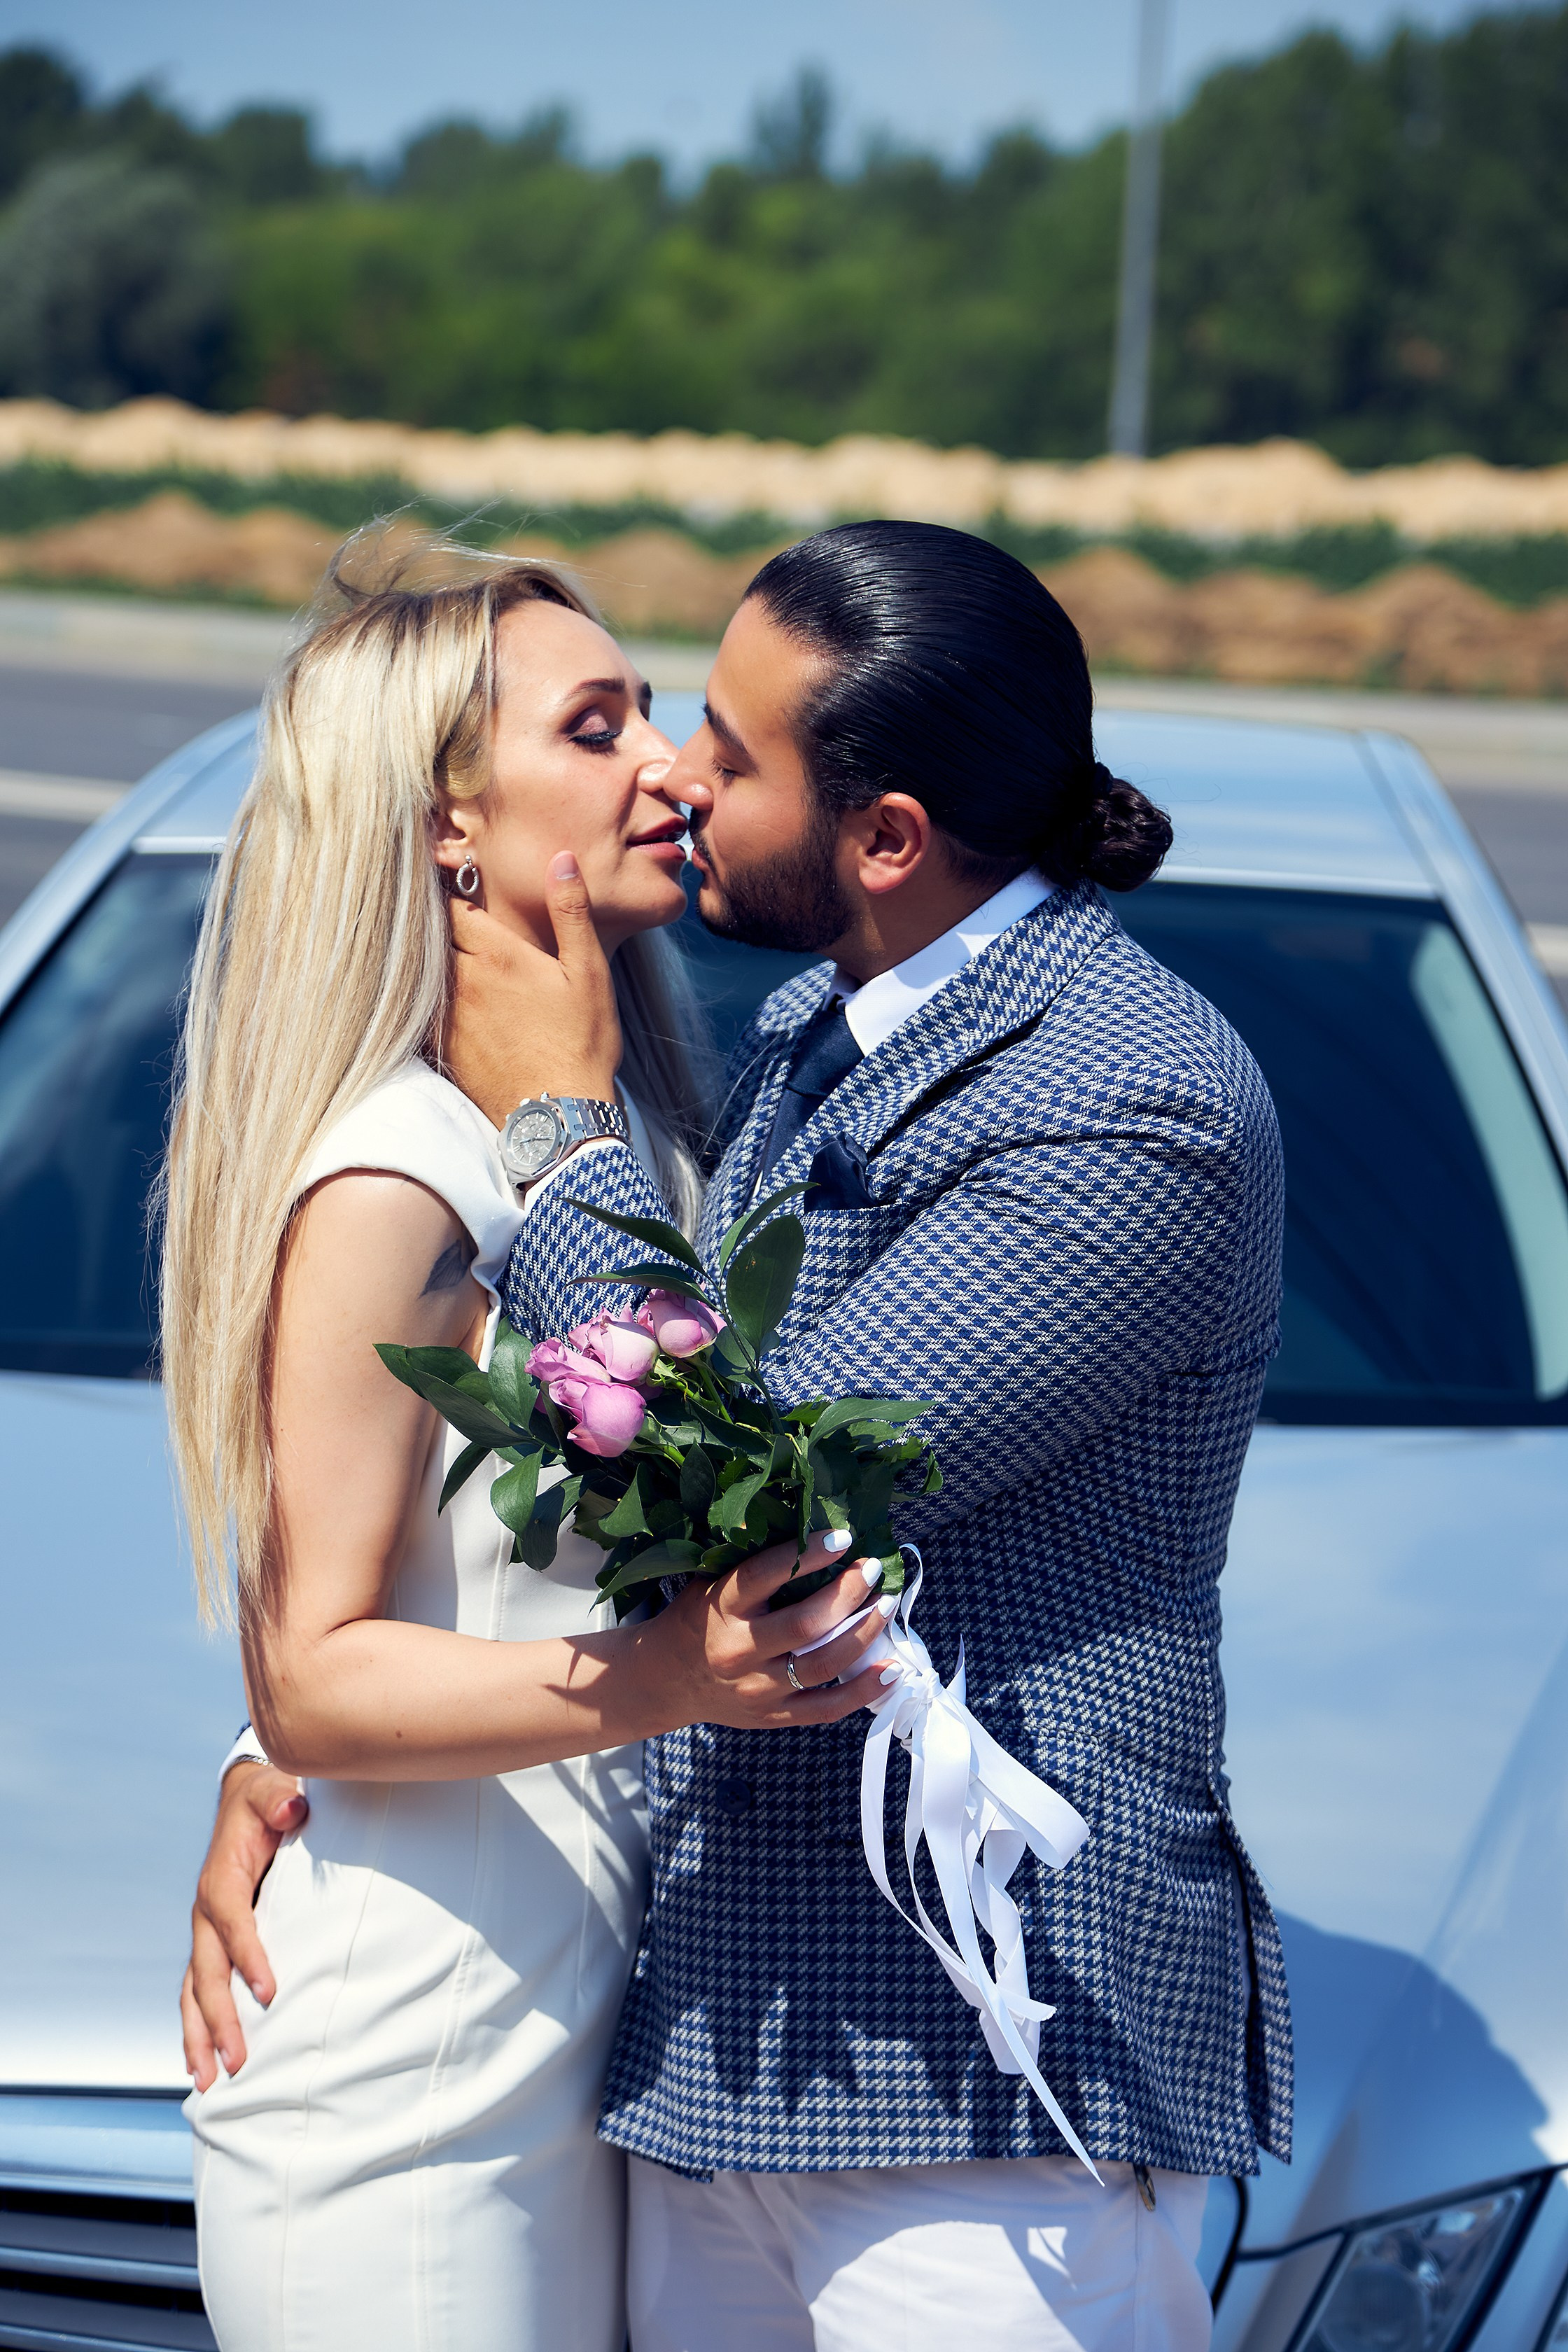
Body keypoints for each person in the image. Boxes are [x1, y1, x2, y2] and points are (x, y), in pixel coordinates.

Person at [190, 522, 1292, 2351]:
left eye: (722, 742)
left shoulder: (1130, 1101)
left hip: (973, 2084)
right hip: (703, 2077)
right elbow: (480, 1548)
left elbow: (742, 1486)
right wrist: (289, 1744)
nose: (679, 776)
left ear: (885, 839)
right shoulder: (790, 1040)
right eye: (628, 720)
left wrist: (560, 1125)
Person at [164, 544, 892, 2352]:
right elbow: (316, 1668)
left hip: (581, 2086)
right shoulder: (397, 1177)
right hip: (415, 2129)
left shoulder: (625, 1145)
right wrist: (671, 1672)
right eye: (597, 724)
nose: (669, 764)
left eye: (647, 709)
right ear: (447, 829)